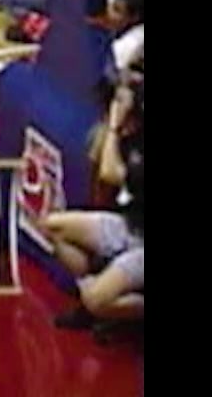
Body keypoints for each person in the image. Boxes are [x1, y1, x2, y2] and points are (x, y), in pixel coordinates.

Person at [43, 68, 144, 338]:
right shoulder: (133, 133)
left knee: (96, 299)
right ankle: (96, 298)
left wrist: (114, 126)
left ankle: (105, 305)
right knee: (54, 227)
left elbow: (110, 172)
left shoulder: (126, 133)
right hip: (132, 224)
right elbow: (101, 187)